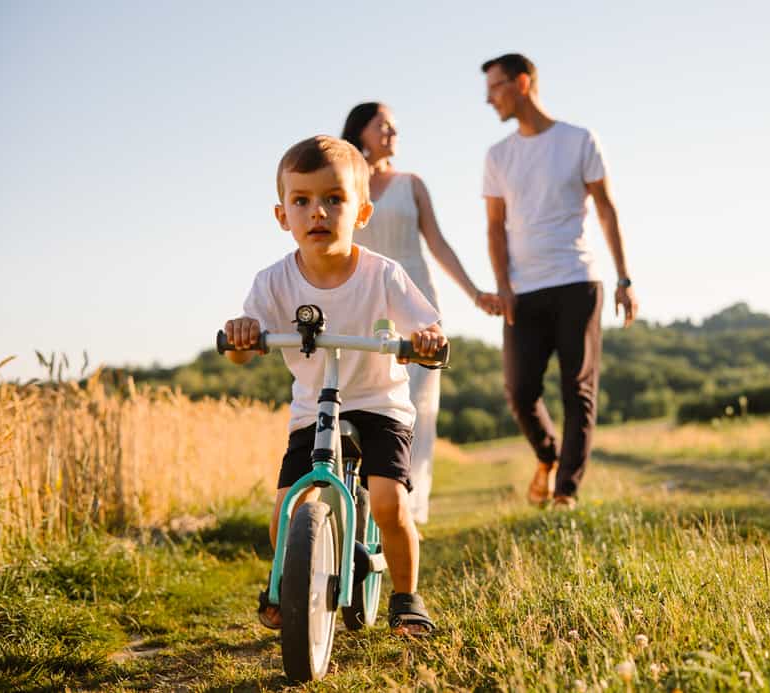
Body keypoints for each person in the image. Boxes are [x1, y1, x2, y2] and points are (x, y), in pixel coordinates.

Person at [223, 135, 441, 635]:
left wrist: (425, 337)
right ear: (283, 216)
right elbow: (239, 351)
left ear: (361, 212)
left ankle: (407, 597)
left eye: (333, 199)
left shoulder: (383, 274)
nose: (316, 212)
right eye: (302, 201)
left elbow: (422, 326)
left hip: (379, 402)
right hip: (314, 407)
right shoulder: (273, 282)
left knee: (388, 500)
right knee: (285, 508)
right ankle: (283, 582)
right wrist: (242, 334)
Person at [480, 53, 639, 510]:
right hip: (522, 290)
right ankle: (548, 457)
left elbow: (607, 211)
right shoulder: (498, 156)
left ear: (523, 83)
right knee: (519, 388)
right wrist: (502, 284)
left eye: (495, 88)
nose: (489, 99)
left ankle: (566, 491)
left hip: (577, 281)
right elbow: (494, 227)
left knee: (578, 390)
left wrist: (624, 278)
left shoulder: (578, 140)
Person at [341, 103, 500, 525]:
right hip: (363, 299)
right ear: (361, 131)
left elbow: (438, 243)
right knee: (360, 398)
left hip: (414, 300)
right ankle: (356, 503)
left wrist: (474, 292)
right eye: (382, 124)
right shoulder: (344, 182)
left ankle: (401, 510)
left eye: (394, 124)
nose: (392, 130)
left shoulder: (412, 184)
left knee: (411, 405)